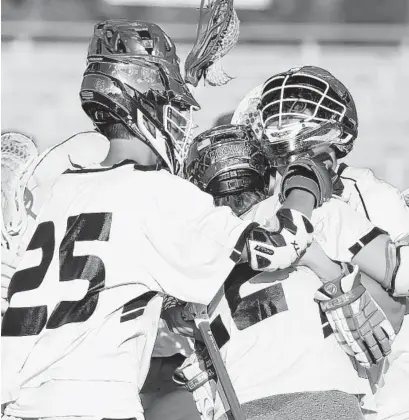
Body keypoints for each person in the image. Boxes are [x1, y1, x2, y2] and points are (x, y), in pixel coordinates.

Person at [1, 20, 328, 420]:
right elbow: (279, 247)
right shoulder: (157, 194)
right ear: (145, 103)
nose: (180, 122)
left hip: (20, 404)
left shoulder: (60, 190)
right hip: (92, 405)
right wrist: (304, 182)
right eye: (171, 106)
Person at [232, 65, 409, 419]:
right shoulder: (283, 209)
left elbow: (397, 297)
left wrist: (329, 271)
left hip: (385, 389)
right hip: (329, 389)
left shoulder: (364, 193)